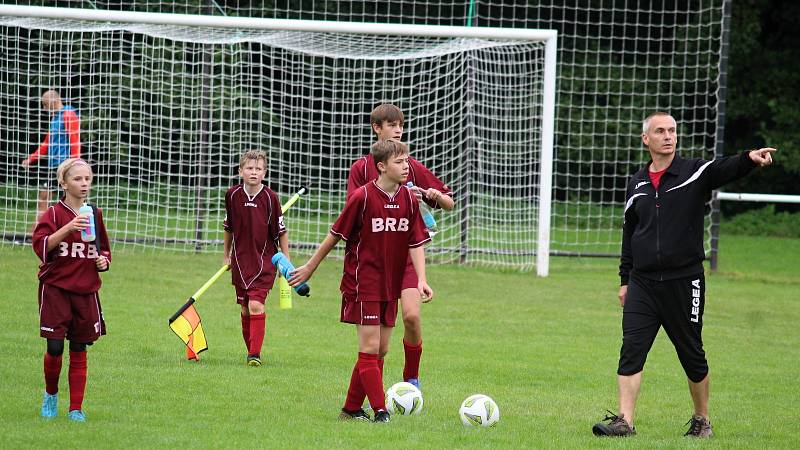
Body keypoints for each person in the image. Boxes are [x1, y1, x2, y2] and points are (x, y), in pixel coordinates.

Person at [592, 112, 776, 438]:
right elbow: (630, 235)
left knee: (691, 353)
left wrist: (749, 158)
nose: (668, 136)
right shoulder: (637, 183)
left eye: (672, 131)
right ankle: (624, 421)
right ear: (645, 139)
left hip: (684, 280)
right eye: (660, 131)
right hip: (643, 283)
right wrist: (624, 280)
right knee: (631, 349)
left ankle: (702, 420)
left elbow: (724, 167)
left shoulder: (694, 172)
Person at [289, 139, 433, 423]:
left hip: (390, 285)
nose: (406, 167)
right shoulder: (363, 197)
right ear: (382, 167)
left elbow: (416, 242)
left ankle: (351, 409)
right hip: (363, 281)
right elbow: (335, 235)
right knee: (369, 348)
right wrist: (310, 267)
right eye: (400, 162)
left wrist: (422, 280)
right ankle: (381, 411)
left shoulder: (408, 199)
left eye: (406, 161)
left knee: (381, 350)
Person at [347, 103, 454, 389]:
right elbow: (352, 213)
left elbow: (448, 202)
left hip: (405, 257)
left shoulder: (409, 165)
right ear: (377, 128)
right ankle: (372, 390)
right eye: (392, 125)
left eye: (401, 125)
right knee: (378, 344)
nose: (398, 130)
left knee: (412, 316)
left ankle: (411, 379)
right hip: (374, 260)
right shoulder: (362, 169)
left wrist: (432, 195)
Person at [32, 158, 111, 423]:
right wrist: (68, 228)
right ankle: (50, 395)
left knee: (79, 347)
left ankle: (76, 408)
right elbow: (40, 247)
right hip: (56, 290)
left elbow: (104, 249)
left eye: (87, 178)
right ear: (63, 183)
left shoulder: (95, 213)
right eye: (77, 179)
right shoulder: (54, 214)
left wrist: (103, 261)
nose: (84, 183)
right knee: (55, 348)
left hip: (85, 291)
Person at [223, 150, 289, 367]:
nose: (254, 172)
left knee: (255, 306)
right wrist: (226, 255)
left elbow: (280, 232)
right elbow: (229, 228)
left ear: (265, 172)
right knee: (244, 308)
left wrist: (285, 262)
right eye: (249, 168)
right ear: (240, 171)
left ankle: (254, 355)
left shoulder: (271, 198)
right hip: (241, 262)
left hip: (264, 261)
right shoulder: (232, 195)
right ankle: (250, 350)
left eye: (258, 168)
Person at [22, 90, 82, 229]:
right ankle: (40, 231)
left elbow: (75, 141)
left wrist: (75, 163)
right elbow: (46, 144)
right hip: (54, 166)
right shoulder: (55, 119)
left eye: (45, 104)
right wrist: (31, 159)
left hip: (66, 166)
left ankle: (42, 231)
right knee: (46, 197)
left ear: (52, 101)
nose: (44, 108)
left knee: (63, 200)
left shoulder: (68, 114)